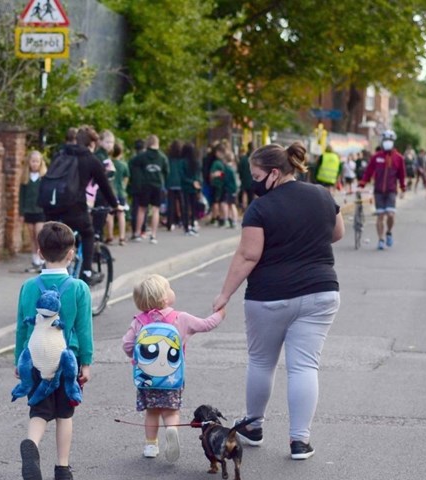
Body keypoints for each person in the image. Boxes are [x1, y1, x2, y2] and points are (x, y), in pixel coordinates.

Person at [212, 142, 344, 461]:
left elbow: (248, 255)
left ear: (274, 173)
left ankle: (253, 426)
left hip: (269, 296)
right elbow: (336, 233)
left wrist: (224, 294)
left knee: (261, 362)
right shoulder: (323, 195)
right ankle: (300, 441)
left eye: (256, 175)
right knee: (304, 366)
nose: (253, 182)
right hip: (320, 292)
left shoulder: (260, 208)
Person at [14, 222, 93, 480]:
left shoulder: (28, 286)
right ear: (71, 254)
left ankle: (32, 443)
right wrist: (86, 362)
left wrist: (19, 361)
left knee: (38, 409)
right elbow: (84, 330)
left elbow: (21, 328)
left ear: (39, 251)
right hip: (65, 361)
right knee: (64, 415)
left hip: (35, 358)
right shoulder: (79, 288)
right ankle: (62, 468)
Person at [122, 274, 224, 461]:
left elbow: (127, 345)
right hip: (172, 377)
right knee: (171, 411)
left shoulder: (139, 322)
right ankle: (171, 430)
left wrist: (137, 359)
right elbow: (206, 325)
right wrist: (220, 313)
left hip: (147, 378)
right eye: (169, 288)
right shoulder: (180, 318)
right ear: (164, 298)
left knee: (152, 411)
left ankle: (151, 446)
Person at [43, 126, 118, 286]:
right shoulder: (90, 159)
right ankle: (86, 272)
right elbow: (104, 185)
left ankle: (51, 270)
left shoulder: (61, 153)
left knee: (58, 238)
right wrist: (115, 205)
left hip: (51, 206)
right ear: (91, 144)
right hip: (74, 207)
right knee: (88, 233)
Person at [358, 129, 406, 250]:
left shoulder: (398, 158)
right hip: (378, 190)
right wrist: (362, 183)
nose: (387, 142)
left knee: (390, 214)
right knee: (380, 216)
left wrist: (403, 187)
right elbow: (369, 171)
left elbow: (402, 174)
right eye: (385, 140)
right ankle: (380, 239)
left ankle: (389, 232)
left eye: (389, 140)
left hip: (391, 191)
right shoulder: (376, 157)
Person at [129, 135, 169, 244]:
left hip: (145, 185)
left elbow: (132, 163)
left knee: (142, 209)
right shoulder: (162, 157)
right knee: (156, 210)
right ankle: (153, 235)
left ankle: (137, 233)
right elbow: (166, 171)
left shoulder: (142, 156)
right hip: (157, 185)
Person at [19, 150, 47, 269]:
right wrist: (21, 213)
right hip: (28, 210)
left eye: (37, 161)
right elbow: (21, 197)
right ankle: (35, 259)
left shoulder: (44, 178)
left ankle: (42, 259)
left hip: (40, 211)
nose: (35, 164)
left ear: (41, 163)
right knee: (31, 236)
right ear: (29, 162)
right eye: (33, 161)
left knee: (38, 235)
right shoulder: (25, 178)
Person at [108, 141, 130, 245]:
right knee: (121, 214)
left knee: (110, 214)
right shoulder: (123, 165)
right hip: (121, 192)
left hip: (111, 191)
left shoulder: (109, 163)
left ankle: (110, 236)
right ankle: (122, 237)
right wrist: (123, 187)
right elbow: (126, 178)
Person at [166, 140, 189, 233]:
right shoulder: (183, 160)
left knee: (171, 204)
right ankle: (184, 222)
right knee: (183, 204)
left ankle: (170, 223)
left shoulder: (169, 159)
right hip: (181, 183)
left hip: (171, 183)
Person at [180, 142, 202, 236]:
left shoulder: (182, 162)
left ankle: (186, 226)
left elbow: (182, 176)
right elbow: (199, 175)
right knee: (193, 207)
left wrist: (190, 182)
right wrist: (197, 182)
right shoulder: (196, 162)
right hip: (195, 187)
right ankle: (193, 224)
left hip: (185, 187)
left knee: (185, 207)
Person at [208, 142, 229, 227]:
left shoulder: (216, 163)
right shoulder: (225, 163)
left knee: (215, 202)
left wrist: (216, 175)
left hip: (217, 185)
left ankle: (216, 217)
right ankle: (222, 218)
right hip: (223, 185)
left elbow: (212, 174)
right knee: (221, 202)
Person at [222, 150, 240, 228]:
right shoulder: (233, 168)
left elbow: (225, 179)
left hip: (228, 189)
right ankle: (233, 221)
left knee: (226, 204)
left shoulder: (227, 169)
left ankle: (227, 220)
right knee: (232, 205)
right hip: (233, 190)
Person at [237, 142, 254, 210]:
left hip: (244, 180)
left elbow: (239, 170)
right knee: (251, 196)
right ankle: (250, 209)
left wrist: (241, 177)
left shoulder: (243, 159)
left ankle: (244, 208)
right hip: (253, 180)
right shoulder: (255, 159)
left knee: (244, 193)